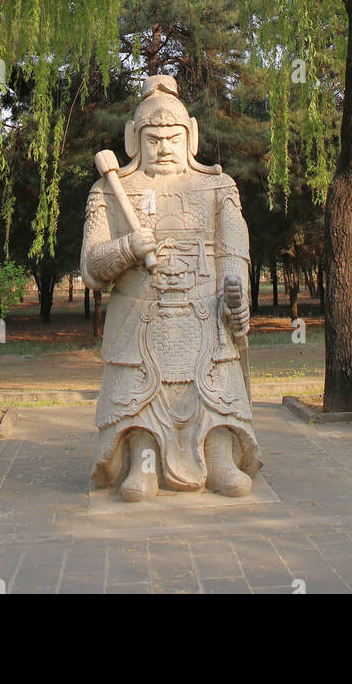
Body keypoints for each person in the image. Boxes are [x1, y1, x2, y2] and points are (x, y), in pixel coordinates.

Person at [81, 75, 262, 499]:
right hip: (142, 314)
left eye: (172, 138)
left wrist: (237, 292)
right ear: (134, 140)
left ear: (191, 137)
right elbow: (91, 268)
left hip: (204, 310)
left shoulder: (218, 187)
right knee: (142, 391)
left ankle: (218, 458)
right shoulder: (111, 189)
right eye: (153, 139)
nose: (163, 147)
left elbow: (234, 250)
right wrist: (127, 247)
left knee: (212, 388)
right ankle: (143, 464)